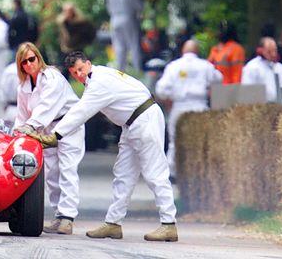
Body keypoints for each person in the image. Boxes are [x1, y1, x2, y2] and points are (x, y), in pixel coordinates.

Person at [33, 51, 178, 242]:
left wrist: (56, 135)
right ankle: (113, 223)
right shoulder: (99, 77)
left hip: (144, 120)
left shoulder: (99, 83)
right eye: (75, 73)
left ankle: (169, 224)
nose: (79, 75)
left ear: (88, 64)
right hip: (132, 124)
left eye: (81, 69)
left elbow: (82, 111)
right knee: (123, 174)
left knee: (154, 172)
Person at [12, 42, 84, 236]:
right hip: (45, 129)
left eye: (31, 59)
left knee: (67, 169)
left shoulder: (52, 77)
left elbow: (46, 107)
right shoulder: (24, 86)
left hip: (68, 125)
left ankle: (67, 218)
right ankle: (59, 215)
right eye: (24, 62)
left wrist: (29, 127)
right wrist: (17, 132)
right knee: (52, 172)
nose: (29, 64)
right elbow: (22, 115)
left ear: (38, 57)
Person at [154, 40, 223, 176]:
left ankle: (172, 173)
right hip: (200, 106)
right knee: (201, 141)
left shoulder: (174, 66)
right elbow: (218, 79)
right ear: (197, 51)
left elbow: (161, 89)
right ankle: (199, 172)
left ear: (183, 51)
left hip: (179, 106)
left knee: (175, 141)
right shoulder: (206, 66)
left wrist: (169, 97)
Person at [106, 0, 143, 74]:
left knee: (119, 45)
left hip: (114, 19)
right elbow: (139, 6)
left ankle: (121, 69)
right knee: (134, 44)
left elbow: (109, 8)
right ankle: (137, 68)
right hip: (128, 18)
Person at [241, 37, 282, 102]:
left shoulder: (280, 68)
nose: (273, 54)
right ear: (261, 50)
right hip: (260, 107)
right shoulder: (252, 67)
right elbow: (246, 91)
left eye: (275, 51)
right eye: (269, 52)